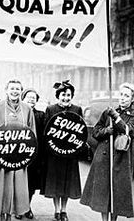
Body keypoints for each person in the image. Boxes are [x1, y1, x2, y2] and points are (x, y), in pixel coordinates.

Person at [80, 83, 134, 221]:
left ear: (133, 99)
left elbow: (130, 131)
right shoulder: (109, 112)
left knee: (117, 193)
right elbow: (96, 132)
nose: (122, 98)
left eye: (126, 96)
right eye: (121, 95)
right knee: (103, 193)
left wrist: (117, 118)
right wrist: (107, 131)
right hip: (104, 158)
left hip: (121, 159)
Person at [0, 79, 36, 221]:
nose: (15, 91)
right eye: (12, 88)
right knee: (2, 193)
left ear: (21, 91)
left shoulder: (27, 109)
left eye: (18, 89)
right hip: (0, 159)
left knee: (16, 194)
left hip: (19, 160)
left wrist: (28, 155)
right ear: (6, 90)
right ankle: (2, 218)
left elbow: (32, 134)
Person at [41, 80, 82, 221]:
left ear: (72, 96)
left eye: (69, 95)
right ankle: (56, 210)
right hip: (54, 153)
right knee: (56, 182)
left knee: (67, 183)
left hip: (70, 154)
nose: (66, 97)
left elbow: (80, 132)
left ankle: (64, 210)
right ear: (58, 95)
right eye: (63, 94)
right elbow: (46, 131)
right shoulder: (51, 109)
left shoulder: (77, 109)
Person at [14, 88, 45, 220]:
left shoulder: (41, 115)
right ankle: (17, 208)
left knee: (31, 183)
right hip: (18, 153)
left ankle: (27, 207)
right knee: (18, 181)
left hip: (34, 154)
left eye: (34, 97)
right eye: (28, 97)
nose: (31, 99)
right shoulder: (18, 112)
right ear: (23, 98)